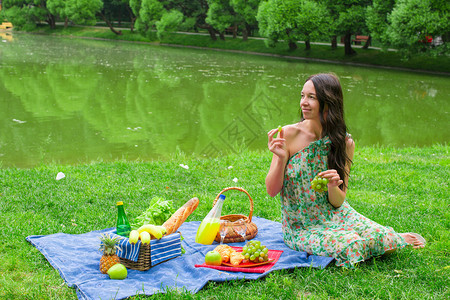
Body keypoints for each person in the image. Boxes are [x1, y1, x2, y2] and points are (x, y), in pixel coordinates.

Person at [265, 73, 425, 268]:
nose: (303, 103)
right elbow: (272, 191)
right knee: (351, 245)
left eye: (311, 97)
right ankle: (368, 240)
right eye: (302, 96)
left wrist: (333, 185)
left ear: (329, 101)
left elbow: (338, 201)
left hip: (338, 214)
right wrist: (281, 159)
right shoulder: (289, 134)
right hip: (302, 227)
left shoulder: (345, 143)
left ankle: (392, 237)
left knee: (384, 239)